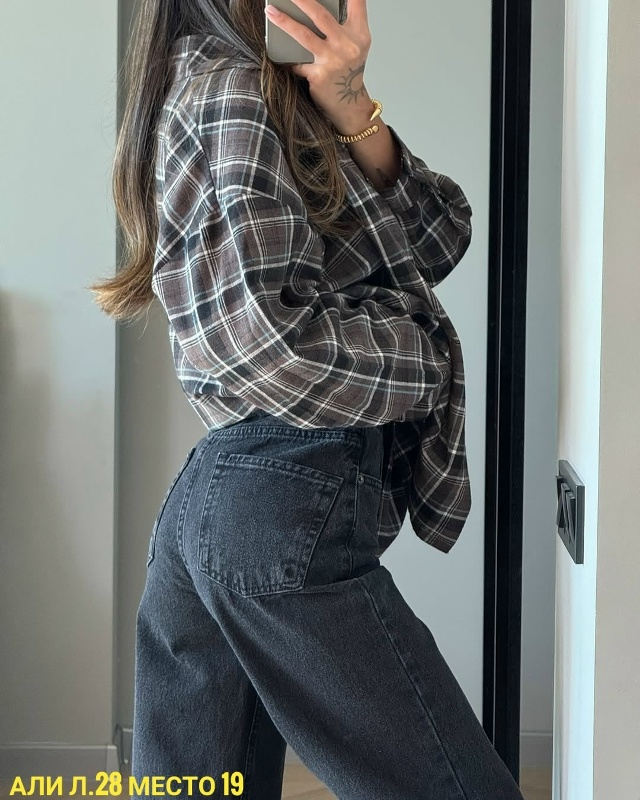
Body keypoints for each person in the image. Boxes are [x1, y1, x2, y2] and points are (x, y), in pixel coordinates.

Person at [89, 0, 526, 797]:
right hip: (278, 489)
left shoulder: (272, 91)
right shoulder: (231, 92)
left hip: (228, 494)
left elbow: (440, 238)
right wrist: (426, 359)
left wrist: (350, 100)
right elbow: (271, 345)